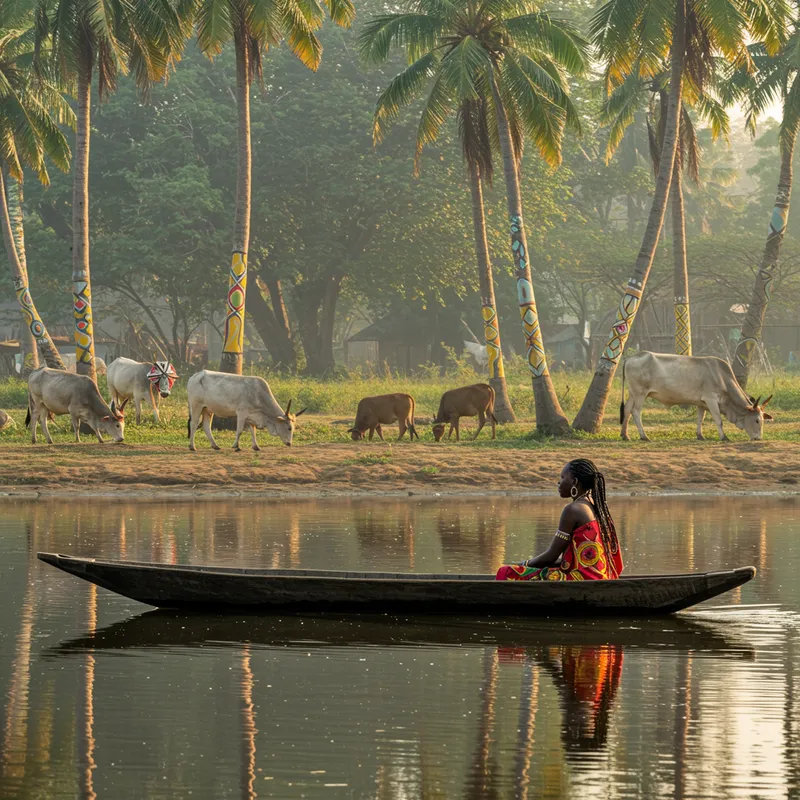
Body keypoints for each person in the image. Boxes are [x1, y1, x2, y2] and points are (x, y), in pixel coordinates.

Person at [495, 458, 623, 581]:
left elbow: (550, 557)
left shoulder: (573, 510)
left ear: (575, 482)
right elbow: (567, 560)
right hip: (601, 576)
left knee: (506, 572)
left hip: (581, 580)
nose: (559, 482)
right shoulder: (595, 506)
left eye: (562, 478)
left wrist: (522, 565)